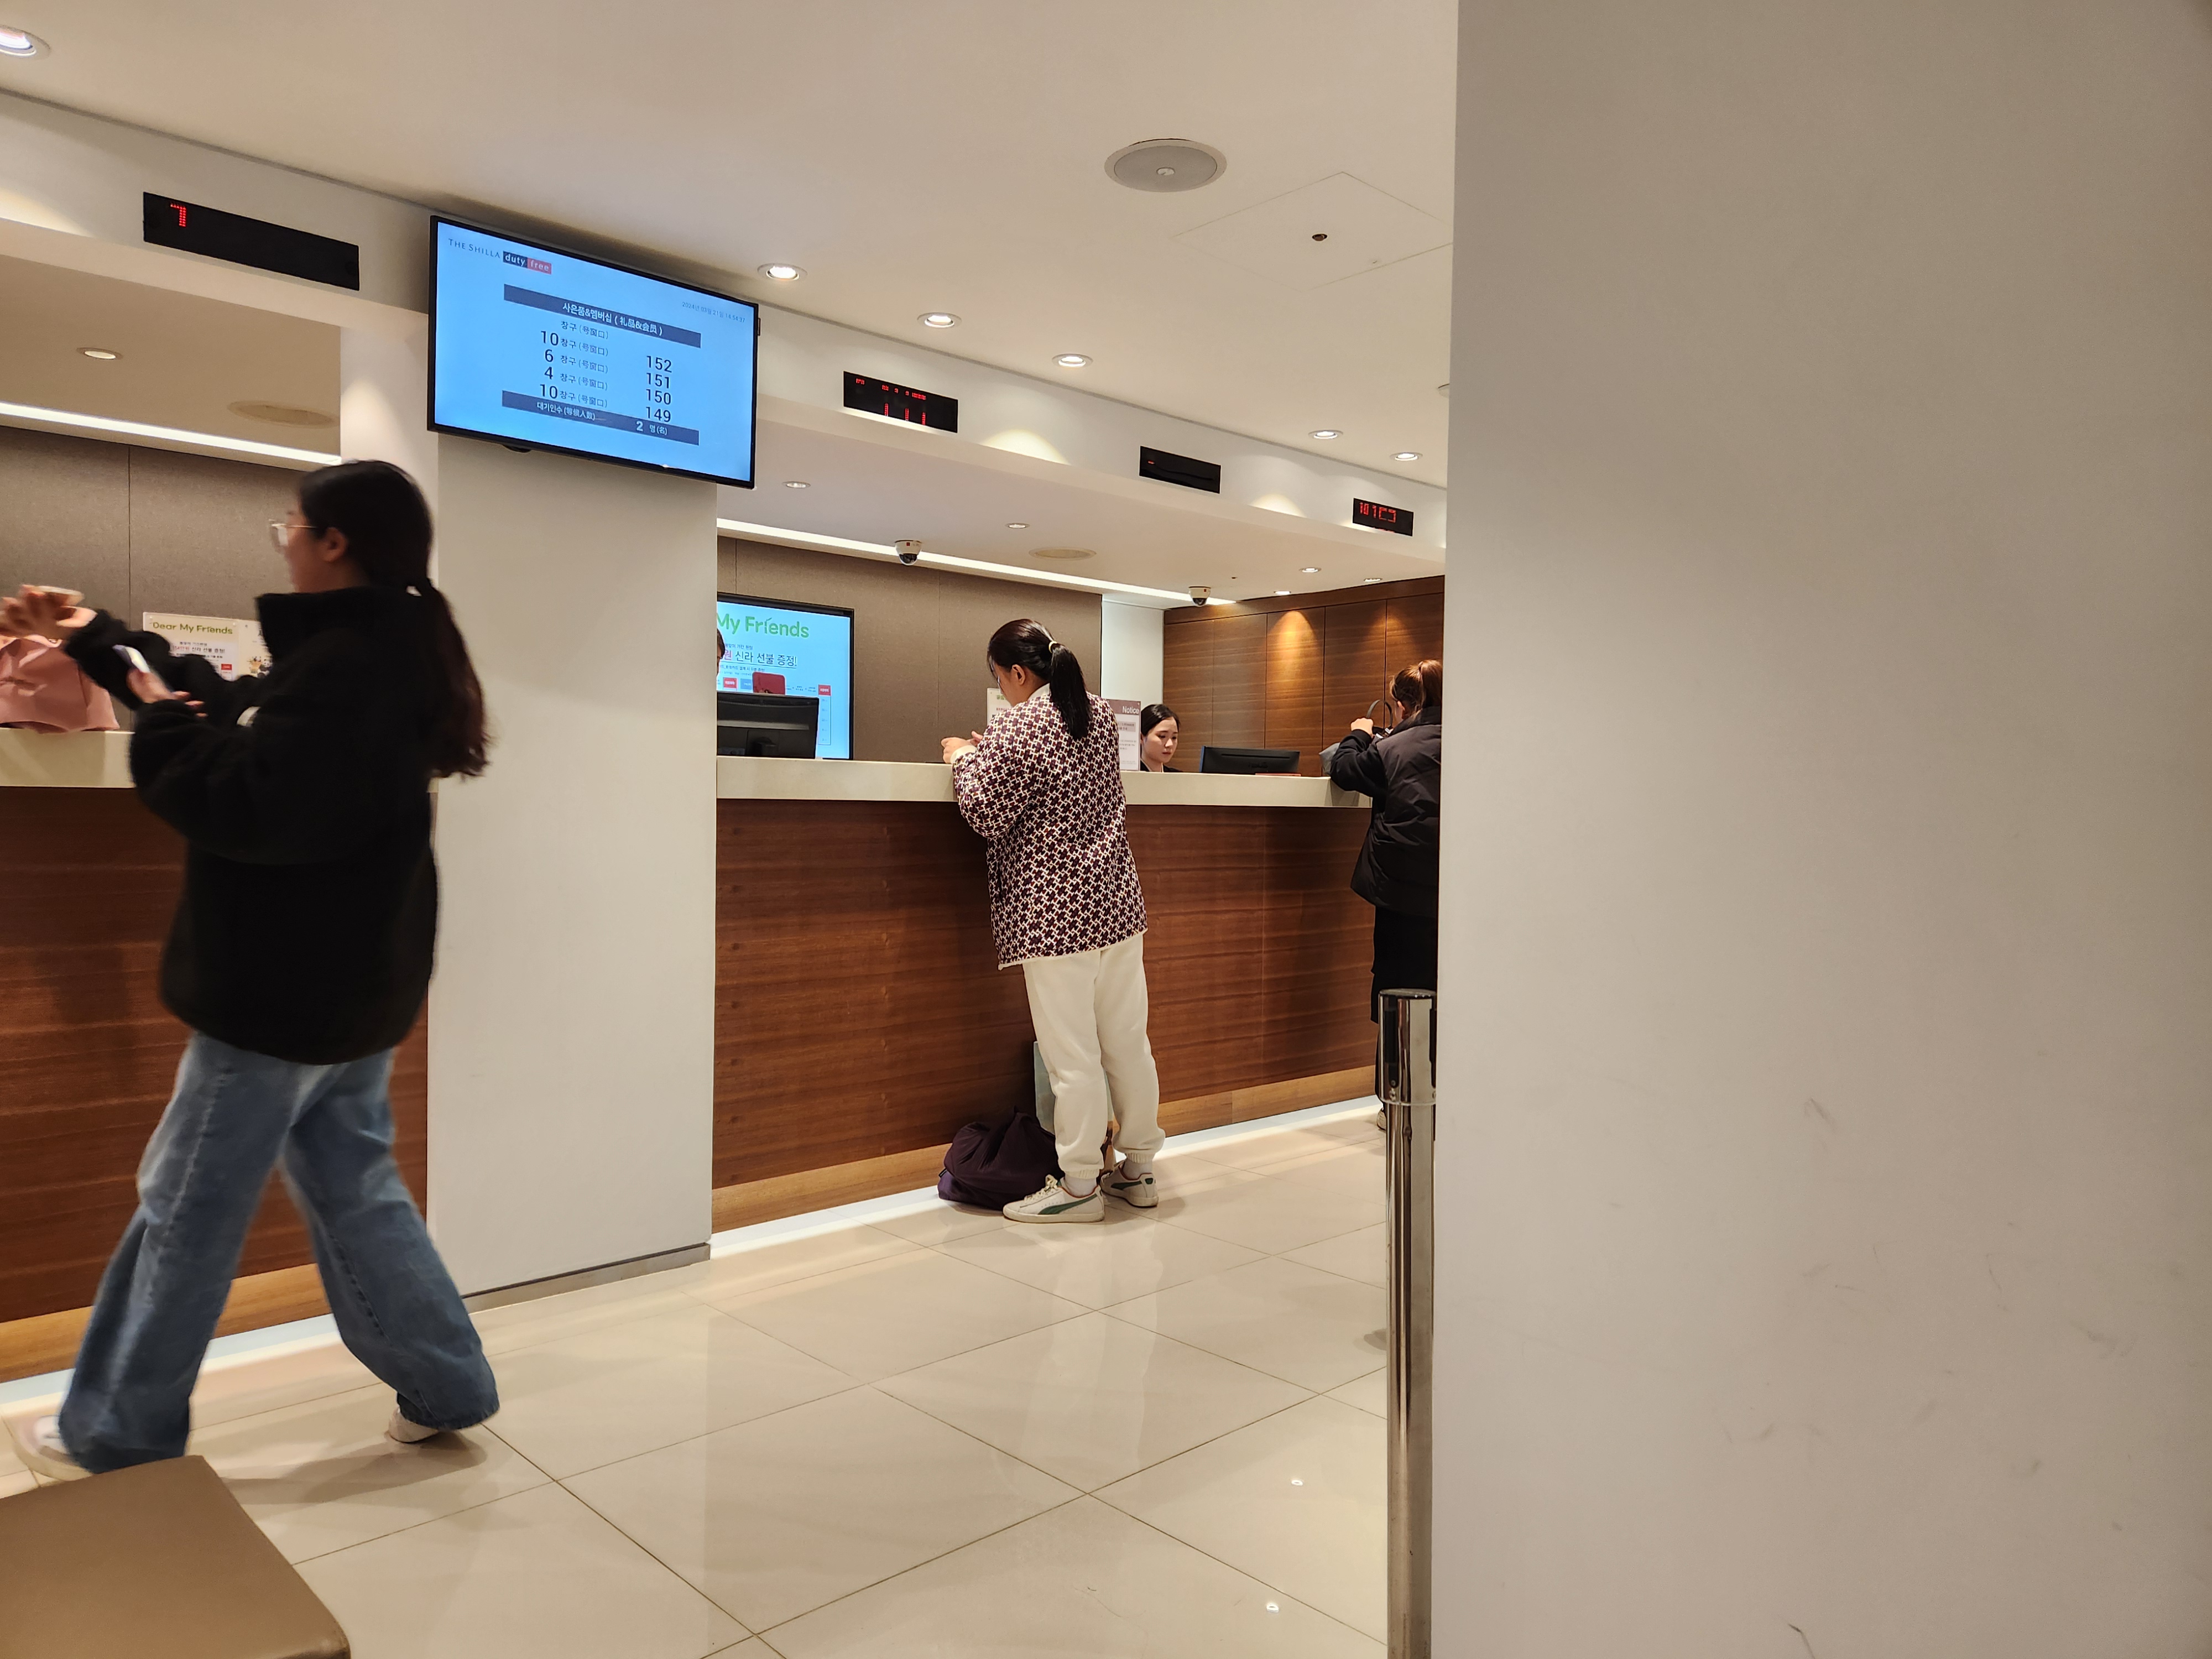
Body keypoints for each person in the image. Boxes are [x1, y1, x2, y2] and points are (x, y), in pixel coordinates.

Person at [0, 460, 500, 1478]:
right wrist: (98, 638)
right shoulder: (377, 651)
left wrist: (163, 734)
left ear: (333, 541)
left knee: (185, 1204)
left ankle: (117, 1429)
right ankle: (448, 1386)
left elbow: (248, 803)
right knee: (355, 1190)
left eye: (292, 525)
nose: (285, 540)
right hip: (350, 989)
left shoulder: (348, 666)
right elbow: (222, 707)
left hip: (279, 994)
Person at [942, 620, 1165, 1222]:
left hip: (1054, 915)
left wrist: (964, 758)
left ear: (1017, 673)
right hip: (1116, 902)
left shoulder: (1018, 725)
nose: (1002, 689)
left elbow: (985, 814)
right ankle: (1140, 1170)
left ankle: (1079, 1186)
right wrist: (990, 755)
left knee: (1073, 1057)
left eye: (1000, 678)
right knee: (1127, 1043)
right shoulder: (1096, 713)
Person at [1328, 658, 1442, 1021]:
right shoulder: (1472, 742)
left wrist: (1359, 734)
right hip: (1452, 890)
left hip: (1400, 889)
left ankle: (1398, 1057)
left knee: (1399, 990)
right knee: (1444, 992)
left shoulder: (1392, 748)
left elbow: (1344, 769)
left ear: (1403, 706)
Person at [1136, 703, 1181, 771]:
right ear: (1141, 738)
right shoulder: (1127, 775)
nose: (1170, 744)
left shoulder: (1177, 776)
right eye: (1162, 736)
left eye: (1174, 737)